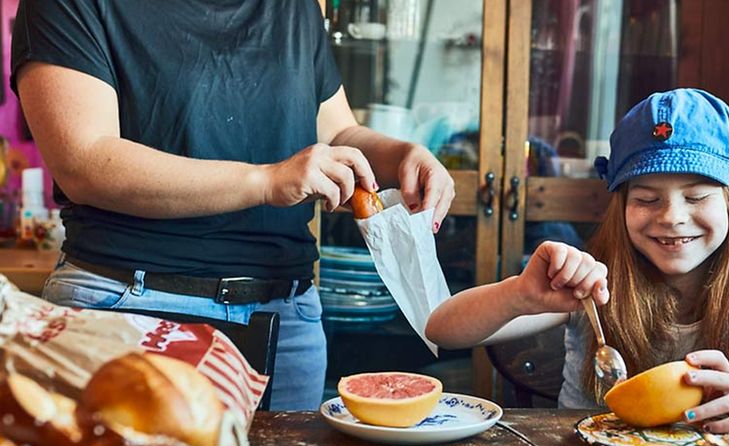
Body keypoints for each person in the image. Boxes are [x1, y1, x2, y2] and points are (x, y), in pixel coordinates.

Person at [10, 0, 454, 410]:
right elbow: (84, 162)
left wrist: (401, 157)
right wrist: (266, 180)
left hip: (286, 316)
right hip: (128, 305)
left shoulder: (292, 7)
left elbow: (335, 134)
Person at [426, 88, 729, 432]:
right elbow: (443, 329)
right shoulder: (593, 284)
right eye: (646, 198)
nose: (672, 218)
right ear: (621, 205)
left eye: (696, 196)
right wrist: (521, 294)